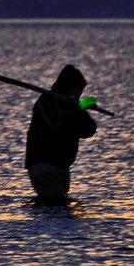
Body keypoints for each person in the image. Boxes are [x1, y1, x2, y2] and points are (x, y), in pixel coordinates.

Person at [24, 65, 97, 204]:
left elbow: (88, 130)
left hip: (61, 167)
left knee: (61, 207)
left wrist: (82, 109)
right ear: (69, 86)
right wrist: (78, 108)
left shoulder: (72, 106)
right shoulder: (47, 100)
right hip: (44, 166)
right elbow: (56, 124)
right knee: (53, 206)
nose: (79, 94)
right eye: (78, 90)